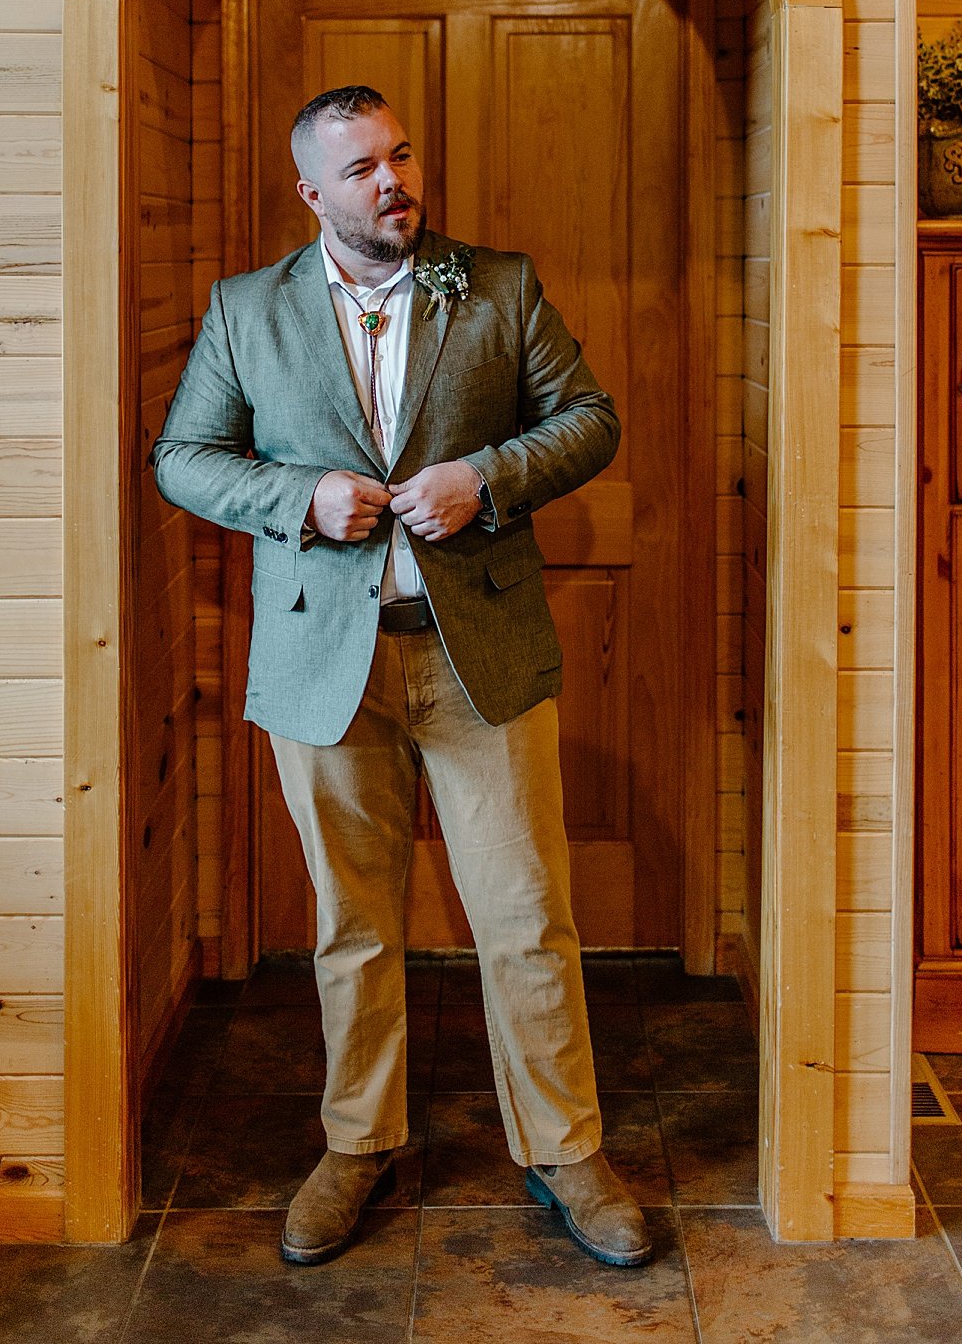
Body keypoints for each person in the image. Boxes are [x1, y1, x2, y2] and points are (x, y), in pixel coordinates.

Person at [150, 83, 652, 1269]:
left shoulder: (498, 285)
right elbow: (184, 457)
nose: (394, 183)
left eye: (401, 156)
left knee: (527, 919)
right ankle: (357, 1145)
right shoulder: (246, 310)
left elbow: (590, 419)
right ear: (311, 192)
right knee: (353, 926)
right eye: (364, 169)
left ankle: (566, 1151)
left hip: (480, 657)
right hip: (328, 664)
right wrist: (297, 500)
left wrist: (491, 474)